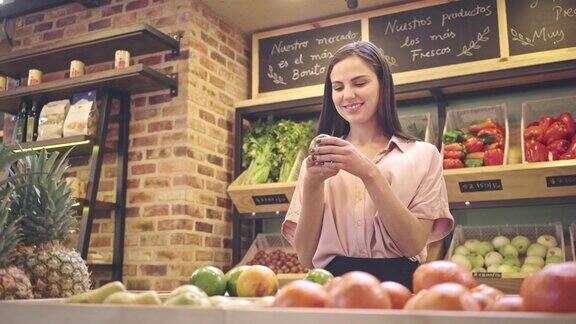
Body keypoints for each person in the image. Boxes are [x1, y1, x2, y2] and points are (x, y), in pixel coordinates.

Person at [281, 41, 454, 290]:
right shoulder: (320, 158)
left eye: (359, 83)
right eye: (338, 87)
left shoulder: (424, 156)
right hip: (331, 291)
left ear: (383, 85)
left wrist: (369, 173)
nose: (348, 95)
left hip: (398, 290)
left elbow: (414, 244)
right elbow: (305, 257)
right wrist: (312, 183)